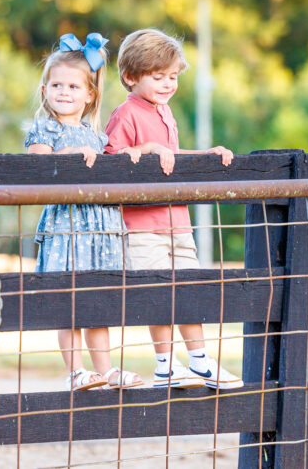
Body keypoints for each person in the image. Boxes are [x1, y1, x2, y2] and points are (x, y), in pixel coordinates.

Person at [104, 28, 243, 390]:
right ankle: (165, 366)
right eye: (158, 77)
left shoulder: (166, 113)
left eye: (173, 77)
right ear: (130, 77)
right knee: (160, 294)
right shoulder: (125, 114)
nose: (168, 84)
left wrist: (206, 155)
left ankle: (199, 360)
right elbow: (112, 159)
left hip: (177, 222)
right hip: (142, 225)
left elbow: (173, 157)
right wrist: (146, 149)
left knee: (189, 289)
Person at [25, 33, 144, 391]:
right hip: (68, 224)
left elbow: (110, 163)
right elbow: (37, 167)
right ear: (44, 90)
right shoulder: (45, 128)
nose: (64, 92)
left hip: (100, 227)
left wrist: (129, 155)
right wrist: (71, 154)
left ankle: (105, 371)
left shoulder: (96, 135)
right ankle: (76, 370)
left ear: (90, 94)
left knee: (97, 301)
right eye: (56, 85)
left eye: (74, 86)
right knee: (69, 301)